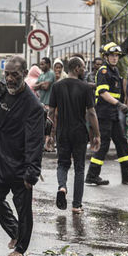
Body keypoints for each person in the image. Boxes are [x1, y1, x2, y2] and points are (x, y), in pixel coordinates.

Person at [0, 55, 45, 256]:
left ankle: (21, 247)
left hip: (20, 161)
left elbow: (35, 141)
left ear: (24, 74)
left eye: (15, 75)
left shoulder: (33, 106)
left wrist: (32, 171)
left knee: (23, 206)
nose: (10, 79)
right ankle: (14, 231)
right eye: (7, 74)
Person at [85, 42, 128, 186]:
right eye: (111, 55)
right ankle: (92, 175)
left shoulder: (115, 71)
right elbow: (103, 92)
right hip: (104, 113)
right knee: (104, 144)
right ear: (106, 56)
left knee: (122, 142)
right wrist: (118, 104)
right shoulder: (104, 71)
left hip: (112, 113)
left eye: (116, 56)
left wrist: (120, 104)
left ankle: (127, 174)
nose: (114, 58)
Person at [48, 57, 101, 213]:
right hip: (79, 132)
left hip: (62, 132)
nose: (84, 69)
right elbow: (91, 113)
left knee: (62, 164)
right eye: (83, 67)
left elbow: (50, 112)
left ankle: (62, 187)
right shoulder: (85, 88)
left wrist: (49, 134)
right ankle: (76, 205)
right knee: (79, 168)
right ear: (77, 68)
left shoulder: (56, 87)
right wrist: (97, 134)